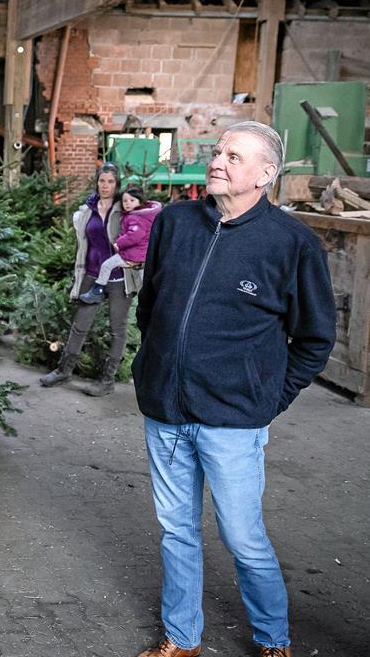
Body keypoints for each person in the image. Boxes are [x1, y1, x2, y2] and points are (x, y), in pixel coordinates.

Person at [132, 122, 336, 657]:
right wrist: (149, 367)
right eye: (218, 151)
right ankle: (182, 639)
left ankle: (274, 640)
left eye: (234, 156)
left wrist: (268, 398)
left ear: (265, 175)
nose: (218, 160)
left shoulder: (291, 243)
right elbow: (150, 306)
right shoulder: (175, 222)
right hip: (165, 411)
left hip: (233, 422)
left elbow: (315, 339)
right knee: (177, 532)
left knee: (243, 539)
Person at [39, 161, 141, 396]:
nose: (105, 185)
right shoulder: (88, 210)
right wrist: (80, 274)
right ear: (97, 182)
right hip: (92, 276)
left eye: (110, 181)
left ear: (117, 184)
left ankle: (106, 380)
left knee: (117, 329)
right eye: (102, 180)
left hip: (119, 278)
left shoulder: (126, 209)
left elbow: (142, 235)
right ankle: (64, 371)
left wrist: (138, 261)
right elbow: (82, 245)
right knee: (79, 326)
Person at [79, 186, 161, 304]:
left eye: (132, 200)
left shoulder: (136, 217)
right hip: (142, 254)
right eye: (125, 201)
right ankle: (153, 300)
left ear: (140, 201)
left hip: (132, 255)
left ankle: (97, 291)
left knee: (106, 265)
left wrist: (119, 243)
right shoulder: (141, 215)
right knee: (144, 281)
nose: (127, 203)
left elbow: (135, 235)